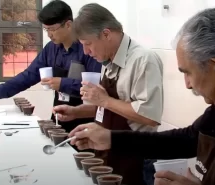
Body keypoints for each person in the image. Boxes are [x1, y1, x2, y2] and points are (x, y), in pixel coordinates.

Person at [67, 8, 215, 185]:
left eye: (187, 73)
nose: (187, 84)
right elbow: (187, 138)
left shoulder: (142, 58)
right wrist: (110, 138)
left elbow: (150, 117)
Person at [53, 3, 163, 185]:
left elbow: (149, 116)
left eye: (88, 44)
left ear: (106, 34)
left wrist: (105, 100)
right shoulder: (108, 60)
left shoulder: (143, 59)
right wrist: (76, 112)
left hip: (136, 155)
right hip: (109, 149)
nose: (87, 53)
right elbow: (109, 109)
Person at [0, 1, 102, 136]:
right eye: (46, 29)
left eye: (52, 29)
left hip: (86, 118)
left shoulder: (87, 48)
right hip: (60, 114)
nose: (49, 34)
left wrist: (62, 83)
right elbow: (29, 75)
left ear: (68, 25)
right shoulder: (51, 48)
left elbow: (94, 87)